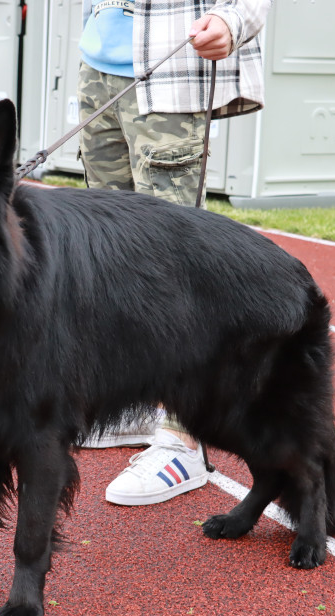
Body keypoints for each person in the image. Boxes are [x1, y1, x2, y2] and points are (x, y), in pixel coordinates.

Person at [76, 0, 271, 506]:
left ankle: (184, 438)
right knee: (108, 260)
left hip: (169, 68)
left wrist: (231, 21)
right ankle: (133, 408)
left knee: (170, 271)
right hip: (97, 67)